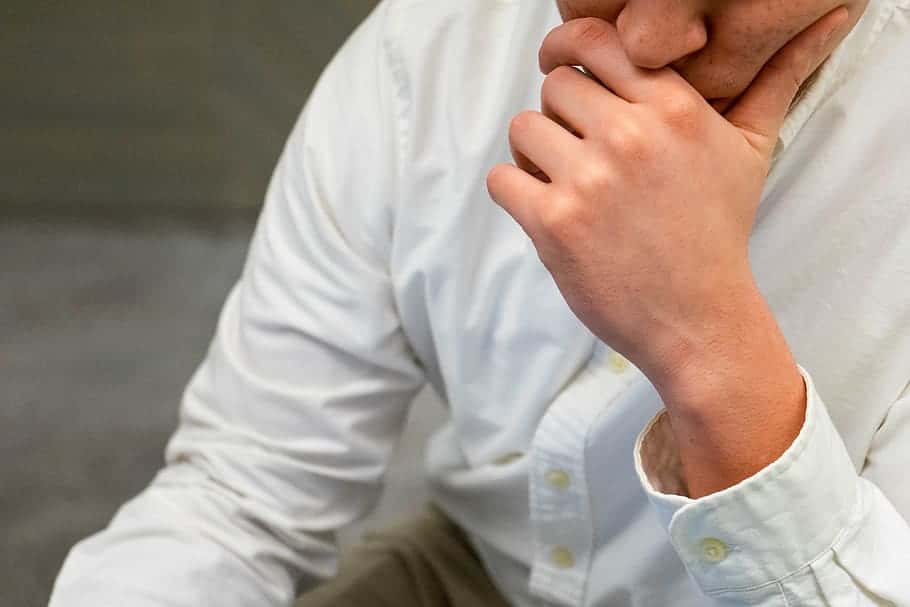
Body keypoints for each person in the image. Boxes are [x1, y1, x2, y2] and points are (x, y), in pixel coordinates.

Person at [50, 0, 910, 605]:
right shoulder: (426, 54)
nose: (646, 39)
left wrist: (711, 346)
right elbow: (237, 501)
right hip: (489, 570)